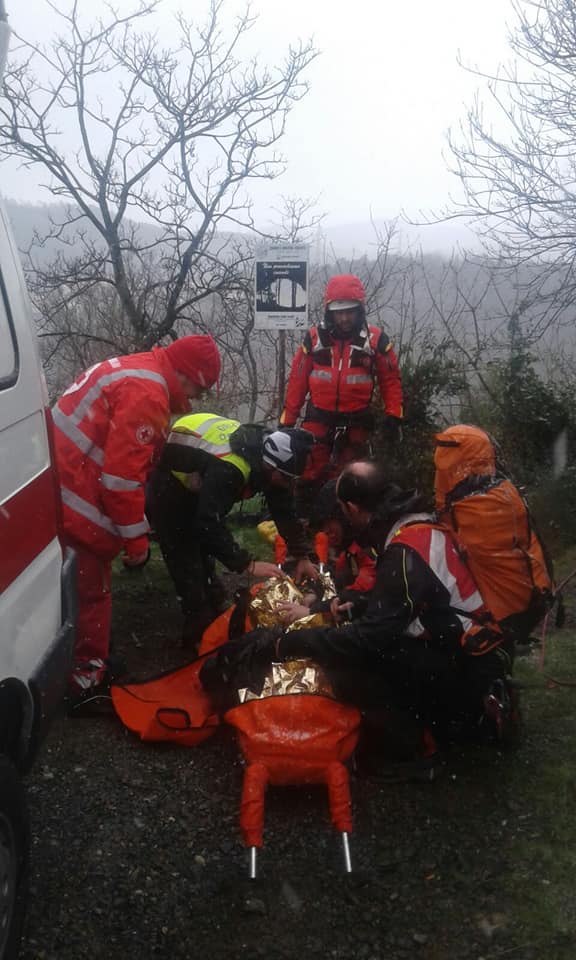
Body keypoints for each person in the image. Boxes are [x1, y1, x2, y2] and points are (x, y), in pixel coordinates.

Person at [201, 460, 517, 764]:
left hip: (460, 667)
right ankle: (464, 712)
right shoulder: (417, 526)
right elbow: (408, 602)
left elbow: (368, 640)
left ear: (351, 508)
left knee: (353, 667)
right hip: (471, 653)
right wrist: (351, 607)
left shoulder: (404, 551)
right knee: (366, 644)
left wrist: (291, 643)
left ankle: (416, 749)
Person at [52, 335, 221, 705]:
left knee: (66, 586)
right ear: (185, 373)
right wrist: (137, 542)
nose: (193, 398)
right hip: (73, 495)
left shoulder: (137, 369)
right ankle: (86, 678)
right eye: (197, 387)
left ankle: (71, 657)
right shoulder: (149, 395)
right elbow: (121, 481)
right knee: (92, 590)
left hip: (58, 480)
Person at [146, 414, 317, 650]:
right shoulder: (232, 468)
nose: (288, 485)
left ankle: (216, 614)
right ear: (271, 466)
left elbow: (284, 511)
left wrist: (302, 555)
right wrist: (246, 563)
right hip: (170, 486)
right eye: (287, 478)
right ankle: (199, 641)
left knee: (207, 563)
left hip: (202, 481)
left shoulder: (272, 463)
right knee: (186, 561)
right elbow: (207, 522)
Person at [279, 274, 403, 515]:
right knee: (309, 471)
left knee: (350, 477)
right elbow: (297, 381)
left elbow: (391, 380)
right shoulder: (314, 339)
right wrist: (288, 421)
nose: (344, 317)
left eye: (350, 311)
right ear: (329, 312)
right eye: (339, 312)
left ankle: (344, 525)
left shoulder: (376, 340)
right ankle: (305, 524)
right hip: (318, 419)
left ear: (360, 311)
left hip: (356, 422)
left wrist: (394, 415)